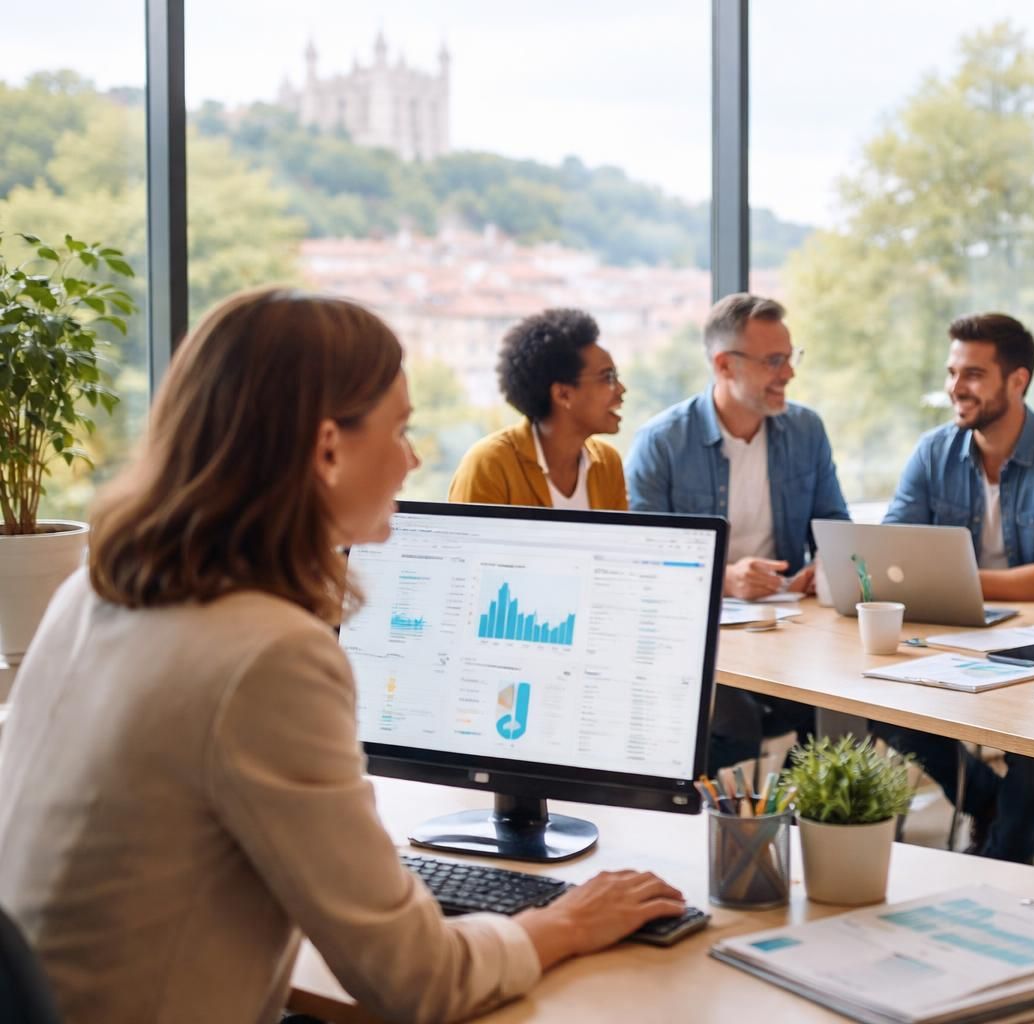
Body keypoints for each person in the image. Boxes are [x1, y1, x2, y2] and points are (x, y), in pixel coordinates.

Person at [0, 288, 685, 1024]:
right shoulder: (266, 654)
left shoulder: (99, 592)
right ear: (328, 448)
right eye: (400, 430)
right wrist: (569, 922)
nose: (412, 459)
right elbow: (421, 981)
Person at [872, 312, 1034, 863]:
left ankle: (1005, 859)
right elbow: (889, 549)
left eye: (973, 374)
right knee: (873, 700)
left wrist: (959, 580)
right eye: (953, 372)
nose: (956, 387)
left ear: (1017, 381)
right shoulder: (934, 452)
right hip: (958, 631)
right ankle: (986, 801)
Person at [627, 293, 850, 770]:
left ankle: (791, 824)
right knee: (737, 726)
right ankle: (733, 832)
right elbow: (643, 561)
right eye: (774, 361)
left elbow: (837, 527)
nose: (788, 373)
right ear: (725, 365)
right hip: (696, 636)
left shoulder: (806, 430)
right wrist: (726, 579)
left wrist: (823, 565)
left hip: (787, 629)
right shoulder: (662, 443)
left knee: (843, 708)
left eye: (790, 358)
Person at [449, 308, 628, 510]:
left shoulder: (608, 463)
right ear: (563, 394)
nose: (621, 389)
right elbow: (470, 542)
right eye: (608, 377)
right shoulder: (489, 464)